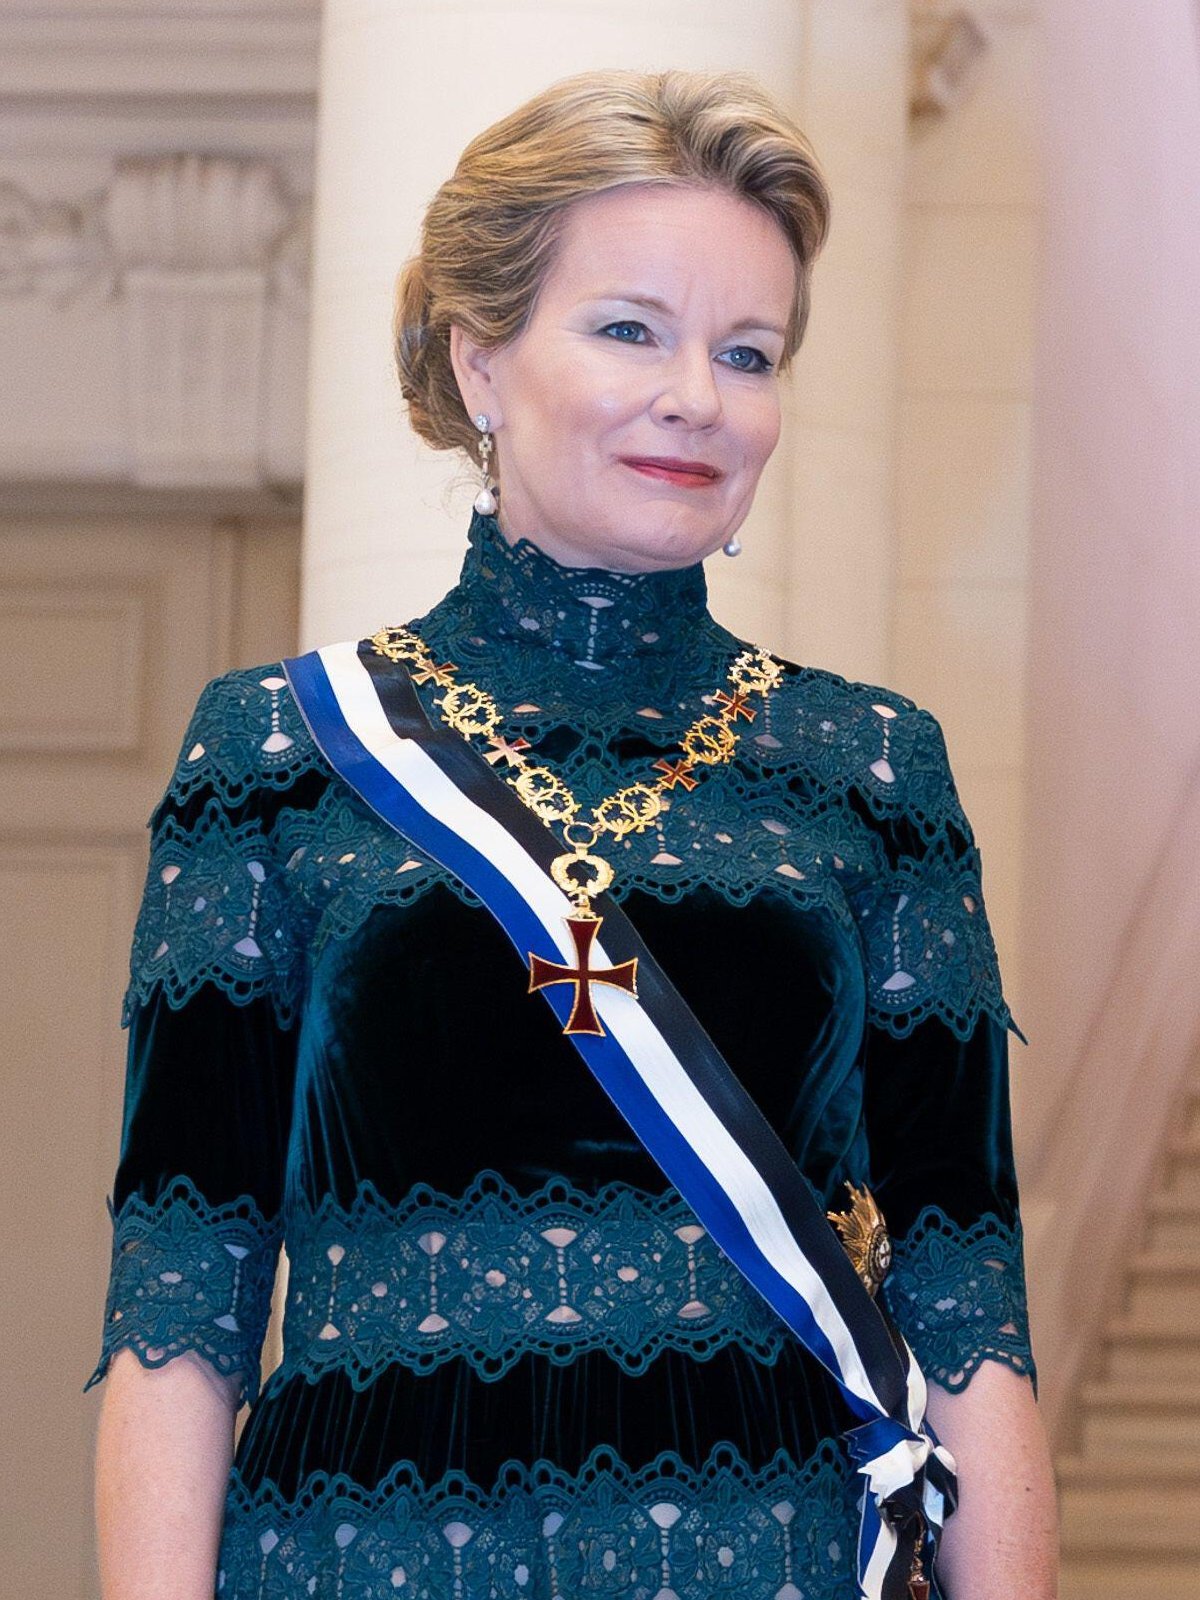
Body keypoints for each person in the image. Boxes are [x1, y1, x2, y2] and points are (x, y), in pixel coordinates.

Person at [89, 67, 1058, 1600]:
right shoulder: (278, 750)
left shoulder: (873, 770)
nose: (699, 396)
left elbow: (969, 1308)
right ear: (479, 361)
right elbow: (182, 1307)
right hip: (364, 1561)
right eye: (630, 330)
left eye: (748, 352)